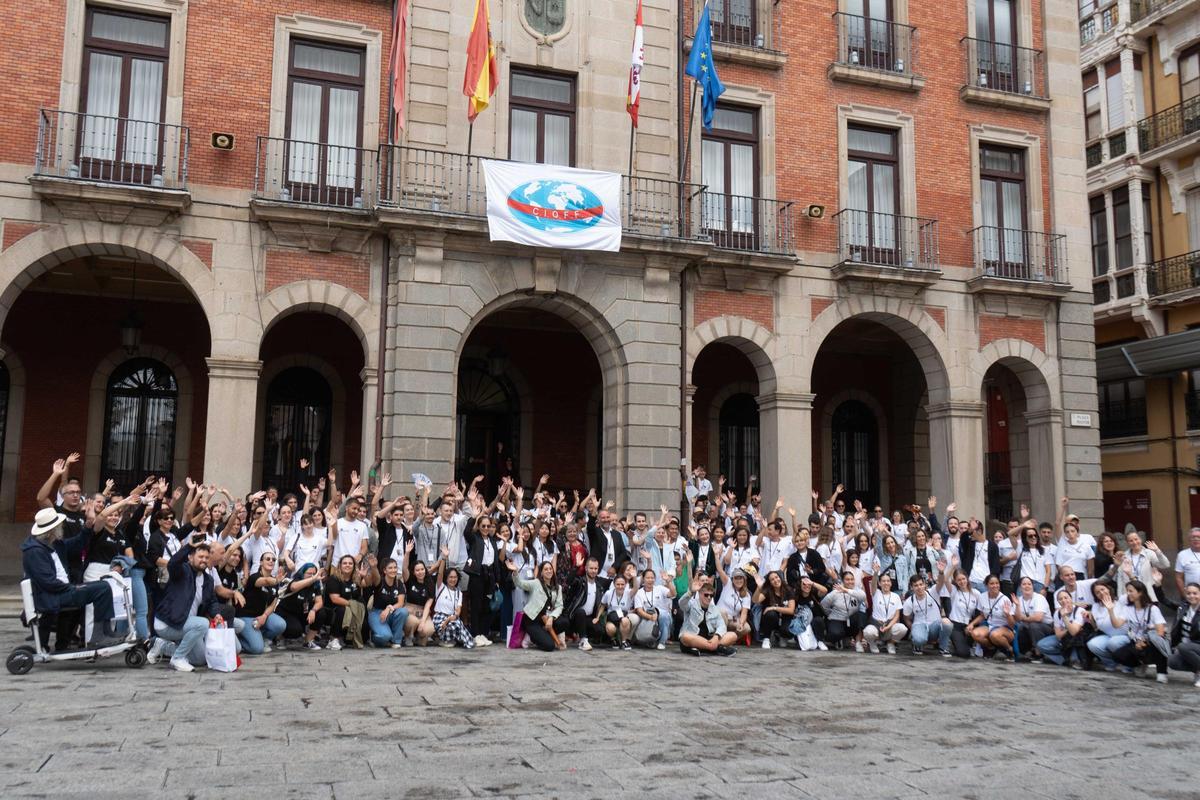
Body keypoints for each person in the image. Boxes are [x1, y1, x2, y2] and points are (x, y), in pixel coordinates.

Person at [21, 507, 123, 650]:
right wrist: (72, 587)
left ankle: (103, 632)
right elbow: (48, 582)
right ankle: (99, 636)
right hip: (53, 596)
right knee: (102, 588)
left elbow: (77, 543)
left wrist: (88, 526)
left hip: (59, 592)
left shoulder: (53, 543)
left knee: (104, 586)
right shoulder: (35, 551)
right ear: (51, 530)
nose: (61, 528)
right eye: (59, 526)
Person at [146, 535, 223, 671]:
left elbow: (212, 601)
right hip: (168, 623)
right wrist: (189, 546)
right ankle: (177, 659)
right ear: (190, 557)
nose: (204, 560)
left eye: (206, 557)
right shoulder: (183, 571)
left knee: (199, 659)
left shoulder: (208, 580)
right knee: (203, 623)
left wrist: (216, 614)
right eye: (200, 556)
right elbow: (173, 564)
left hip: (187, 625)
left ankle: (162, 646)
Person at [1110, 580, 1169, 684]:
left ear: (1140, 592)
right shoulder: (1127, 608)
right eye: (1127, 591)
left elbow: (1160, 632)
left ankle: (1162, 672)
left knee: (1158, 646)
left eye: (1131, 591)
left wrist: (1144, 641)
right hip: (1135, 642)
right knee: (1117, 655)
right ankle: (1140, 664)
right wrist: (1110, 610)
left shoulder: (1153, 609)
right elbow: (1117, 625)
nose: (1128, 594)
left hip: (1151, 642)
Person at [237, 552, 287, 654]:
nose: (271, 561)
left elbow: (273, 603)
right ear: (261, 562)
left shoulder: (275, 580)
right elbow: (265, 581)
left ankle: (262, 638)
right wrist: (275, 581)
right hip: (246, 616)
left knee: (280, 625)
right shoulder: (255, 577)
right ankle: (238, 639)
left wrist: (264, 616)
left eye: (273, 560)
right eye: (267, 559)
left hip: (261, 615)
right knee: (257, 649)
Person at [557, 557, 608, 651]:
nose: (593, 571)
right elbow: (569, 581)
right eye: (591, 568)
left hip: (588, 618)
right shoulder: (580, 581)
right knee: (581, 612)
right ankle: (583, 640)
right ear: (586, 568)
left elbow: (616, 581)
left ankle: (582, 635)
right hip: (574, 616)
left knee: (599, 630)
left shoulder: (599, 584)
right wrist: (576, 567)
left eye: (595, 568)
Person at [678, 577, 737, 656]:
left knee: (733, 635)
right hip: (694, 637)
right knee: (685, 636)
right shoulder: (692, 604)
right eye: (706, 595)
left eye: (711, 595)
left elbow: (722, 626)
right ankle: (716, 648)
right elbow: (681, 603)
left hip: (709, 639)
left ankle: (708, 648)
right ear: (699, 594)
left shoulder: (715, 609)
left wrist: (716, 636)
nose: (709, 597)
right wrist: (690, 592)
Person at [1108, 531, 1171, 602]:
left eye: (1136, 539)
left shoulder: (1149, 553)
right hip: (1129, 595)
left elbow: (1165, 565)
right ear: (1127, 543)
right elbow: (1118, 578)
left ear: (1140, 539)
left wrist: (1157, 551)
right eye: (1131, 541)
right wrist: (1120, 597)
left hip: (1147, 594)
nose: (1134, 542)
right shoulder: (1124, 556)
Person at [514, 561, 563, 652]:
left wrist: (551, 618)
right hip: (532, 620)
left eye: (550, 569)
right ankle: (531, 637)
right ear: (541, 572)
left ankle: (541, 635)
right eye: (546, 569)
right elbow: (519, 583)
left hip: (546, 620)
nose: (549, 571)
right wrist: (515, 572)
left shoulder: (558, 587)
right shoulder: (536, 583)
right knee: (550, 646)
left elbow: (559, 606)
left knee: (565, 622)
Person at [275, 563, 326, 649]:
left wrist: (313, 610)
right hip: (287, 613)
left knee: (321, 613)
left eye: (314, 573)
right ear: (302, 573)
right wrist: (313, 578)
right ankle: (280, 637)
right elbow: (294, 587)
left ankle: (308, 641)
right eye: (309, 573)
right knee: (295, 631)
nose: (312, 576)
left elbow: (319, 602)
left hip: (302, 613)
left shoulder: (315, 584)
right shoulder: (296, 581)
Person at [1038, 590, 1091, 669]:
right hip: (1064, 639)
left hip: (1077, 641)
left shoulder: (1079, 610)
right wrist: (1067, 629)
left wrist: (1064, 617)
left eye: (1066, 598)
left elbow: (1073, 632)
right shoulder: (1057, 613)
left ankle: (1071, 659)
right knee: (1041, 645)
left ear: (1071, 598)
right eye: (1060, 599)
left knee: (1074, 657)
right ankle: (1064, 660)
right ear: (1058, 602)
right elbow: (1058, 635)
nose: (1063, 600)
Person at [325, 555, 368, 650]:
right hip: (333, 610)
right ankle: (333, 639)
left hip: (351, 608)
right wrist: (353, 605)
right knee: (342, 610)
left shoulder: (355, 578)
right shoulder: (334, 579)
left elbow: (366, 584)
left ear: (354, 566)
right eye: (345, 563)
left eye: (350, 563)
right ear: (340, 565)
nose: (347, 565)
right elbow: (335, 599)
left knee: (362, 608)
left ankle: (347, 638)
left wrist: (363, 576)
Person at [967, 574, 1014, 660]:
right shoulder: (982, 597)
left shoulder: (1005, 599)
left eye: (997, 583)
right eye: (992, 583)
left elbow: (1012, 624)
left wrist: (1007, 614)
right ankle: (991, 648)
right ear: (986, 585)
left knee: (994, 635)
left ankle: (1009, 649)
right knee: (975, 634)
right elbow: (982, 615)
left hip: (1005, 628)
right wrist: (972, 624)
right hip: (990, 625)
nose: (995, 586)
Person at [366, 557, 410, 648]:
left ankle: (396, 641)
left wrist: (389, 608)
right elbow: (376, 576)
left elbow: (400, 603)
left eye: (395, 567)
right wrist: (374, 567)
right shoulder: (380, 581)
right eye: (390, 568)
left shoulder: (399, 583)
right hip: (377, 613)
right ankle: (374, 638)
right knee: (385, 636)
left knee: (403, 611)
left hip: (391, 612)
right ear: (384, 570)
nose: (393, 570)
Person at [1087, 581, 1131, 672]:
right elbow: (1097, 627)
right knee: (1092, 644)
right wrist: (1091, 620)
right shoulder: (1095, 606)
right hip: (1109, 635)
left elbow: (1133, 591)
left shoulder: (1120, 601)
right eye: (1097, 592)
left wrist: (1131, 576)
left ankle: (1128, 664)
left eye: (1103, 589)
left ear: (1108, 589)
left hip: (1126, 635)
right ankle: (1111, 663)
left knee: (1113, 643)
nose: (1101, 593)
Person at [903, 576, 951, 656]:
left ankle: (943, 647)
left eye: (921, 584)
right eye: (916, 585)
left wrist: (941, 572)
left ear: (925, 585)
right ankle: (917, 643)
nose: (919, 587)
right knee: (918, 638)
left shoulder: (933, 592)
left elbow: (941, 582)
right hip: (920, 625)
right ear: (911, 587)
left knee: (947, 622)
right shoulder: (909, 601)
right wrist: (913, 630)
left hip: (934, 626)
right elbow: (906, 618)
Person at [820, 571, 866, 650]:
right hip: (837, 619)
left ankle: (857, 641)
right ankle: (836, 640)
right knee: (836, 633)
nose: (850, 581)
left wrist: (846, 590)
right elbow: (823, 605)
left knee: (861, 614)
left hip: (851, 621)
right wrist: (830, 614)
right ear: (842, 581)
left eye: (852, 579)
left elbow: (863, 596)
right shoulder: (835, 592)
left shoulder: (856, 591)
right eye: (847, 579)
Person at [863, 573, 907, 654]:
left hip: (889, 625)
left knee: (902, 629)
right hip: (877, 625)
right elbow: (873, 584)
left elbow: (897, 616)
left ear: (891, 583)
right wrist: (875, 573)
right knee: (868, 632)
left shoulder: (896, 596)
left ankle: (891, 643)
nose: (886, 583)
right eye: (883, 581)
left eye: (888, 581)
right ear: (879, 583)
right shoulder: (876, 593)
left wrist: (888, 627)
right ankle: (872, 644)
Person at [432, 565, 475, 649]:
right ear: (446, 578)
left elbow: (458, 610)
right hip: (440, 617)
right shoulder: (441, 587)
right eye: (450, 577)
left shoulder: (459, 593)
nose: (453, 579)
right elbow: (440, 574)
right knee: (454, 625)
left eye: (455, 577)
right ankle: (445, 639)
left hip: (452, 617)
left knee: (456, 624)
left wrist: (452, 617)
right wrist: (443, 559)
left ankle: (453, 639)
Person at [1011, 576, 1052, 662]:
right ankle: (1025, 652)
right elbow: (1017, 619)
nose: (1027, 586)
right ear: (1020, 587)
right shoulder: (1018, 600)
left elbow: (1038, 618)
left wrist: (1023, 618)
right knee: (1019, 626)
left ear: (1033, 586)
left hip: (1046, 628)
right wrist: (1017, 606)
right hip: (1028, 626)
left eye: (1029, 584)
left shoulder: (1039, 598)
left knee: (1034, 625)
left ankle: (1039, 653)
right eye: (1024, 584)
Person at [632, 567, 675, 649]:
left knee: (664, 615)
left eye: (652, 578)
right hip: (646, 617)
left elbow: (673, 594)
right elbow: (639, 610)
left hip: (660, 617)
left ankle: (662, 642)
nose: (650, 580)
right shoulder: (639, 593)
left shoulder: (660, 588)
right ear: (643, 579)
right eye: (648, 578)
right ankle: (652, 640)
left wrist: (668, 581)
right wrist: (650, 617)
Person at [1167, 582, 1200, 688]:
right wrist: (1157, 586)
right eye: (1189, 593)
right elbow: (1165, 601)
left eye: (1195, 593)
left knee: (1183, 647)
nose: (1192, 596)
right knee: (1172, 661)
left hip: (1195, 645)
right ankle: (1198, 670)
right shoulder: (1183, 607)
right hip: (1188, 646)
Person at [752, 570, 795, 649]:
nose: (775, 580)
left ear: (780, 578)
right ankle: (766, 638)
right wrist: (758, 588)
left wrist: (774, 607)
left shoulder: (788, 590)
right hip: (772, 618)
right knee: (771, 614)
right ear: (770, 583)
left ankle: (781, 635)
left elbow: (791, 610)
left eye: (776, 577)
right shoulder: (768, 590)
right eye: (772, 579)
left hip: (785, 618)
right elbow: (755, 601)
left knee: (788, 630)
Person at [943, 569, 981, 658]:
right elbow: (945, 579)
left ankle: (964, 645)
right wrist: (953, 566)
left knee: (966, 648)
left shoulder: (976, 593)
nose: (962, 582)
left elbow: (981, 614)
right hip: (956, 625)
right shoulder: (954, 591)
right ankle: (952, 644)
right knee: (964, 653)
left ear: (967, 578)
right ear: (955, 581)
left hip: (969, 625)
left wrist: (972, 624)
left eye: (963, 579)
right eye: (959, 580)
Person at [597, 574, 634, 650]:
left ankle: (624, 642)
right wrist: (597, 617)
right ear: (614, 584)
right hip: (611, 618)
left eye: (622, 584)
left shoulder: (628, 593)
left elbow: (636, 588)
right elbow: (602, 605)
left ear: (625, 584)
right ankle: (614, 640)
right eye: (618, 584)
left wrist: (635, 577)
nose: (620, 586)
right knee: (610, 628)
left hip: (623, 617)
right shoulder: (608, 593)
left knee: (625, 621)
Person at [1174, 528, 1200, 600]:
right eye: (1193, 537)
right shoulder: (1182, 555)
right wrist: (1185, 595)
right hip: (1192, 595)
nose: (1196, 539)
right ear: (1189, 540)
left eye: (1198, 537)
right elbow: (1178, 578)